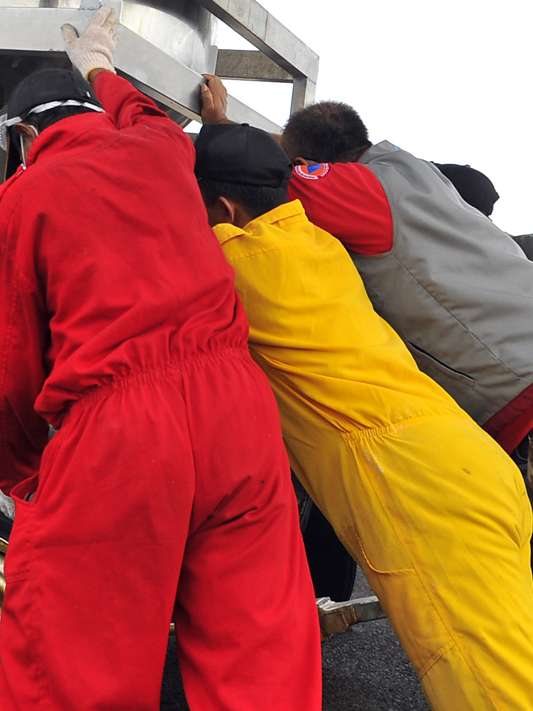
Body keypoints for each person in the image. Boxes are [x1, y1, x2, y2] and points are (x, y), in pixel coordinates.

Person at [0, 7, 321, 711]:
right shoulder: (161, 145)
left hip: (120, 434)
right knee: (259, 677)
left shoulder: (19, 200)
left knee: (73, 696)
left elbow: (5, 374)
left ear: (24, 137)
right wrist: (101, 66)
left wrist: (24, 473)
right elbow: (141, 111)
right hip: (238, 414)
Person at [195, 120, 533, 711]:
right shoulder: (317, 246)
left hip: (420, 495)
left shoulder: (235, 271)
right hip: (471, 461)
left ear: (223, 212)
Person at [200, 78, 533, 455]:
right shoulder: (411, 170)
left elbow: (259, 180)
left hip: (517, 388)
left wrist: (219, 123)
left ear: (310, 164)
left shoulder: (362, 190)